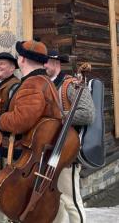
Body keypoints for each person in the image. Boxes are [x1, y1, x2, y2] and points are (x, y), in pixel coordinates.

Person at [0, 40, 63, 220]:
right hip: (37, 157)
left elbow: (20, 121)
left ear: (22, 59)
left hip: (31, 156)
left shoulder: (33, 83)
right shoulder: (44, 81)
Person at [45, 50, 94, 223]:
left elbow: (88, 114)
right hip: (50, 151)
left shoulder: (70, 85)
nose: (43, 65)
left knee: (71, 201)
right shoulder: (46, 85)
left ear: (56, 64)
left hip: (67, 151)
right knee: (56, 201)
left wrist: (61, 115)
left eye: (46, 62)